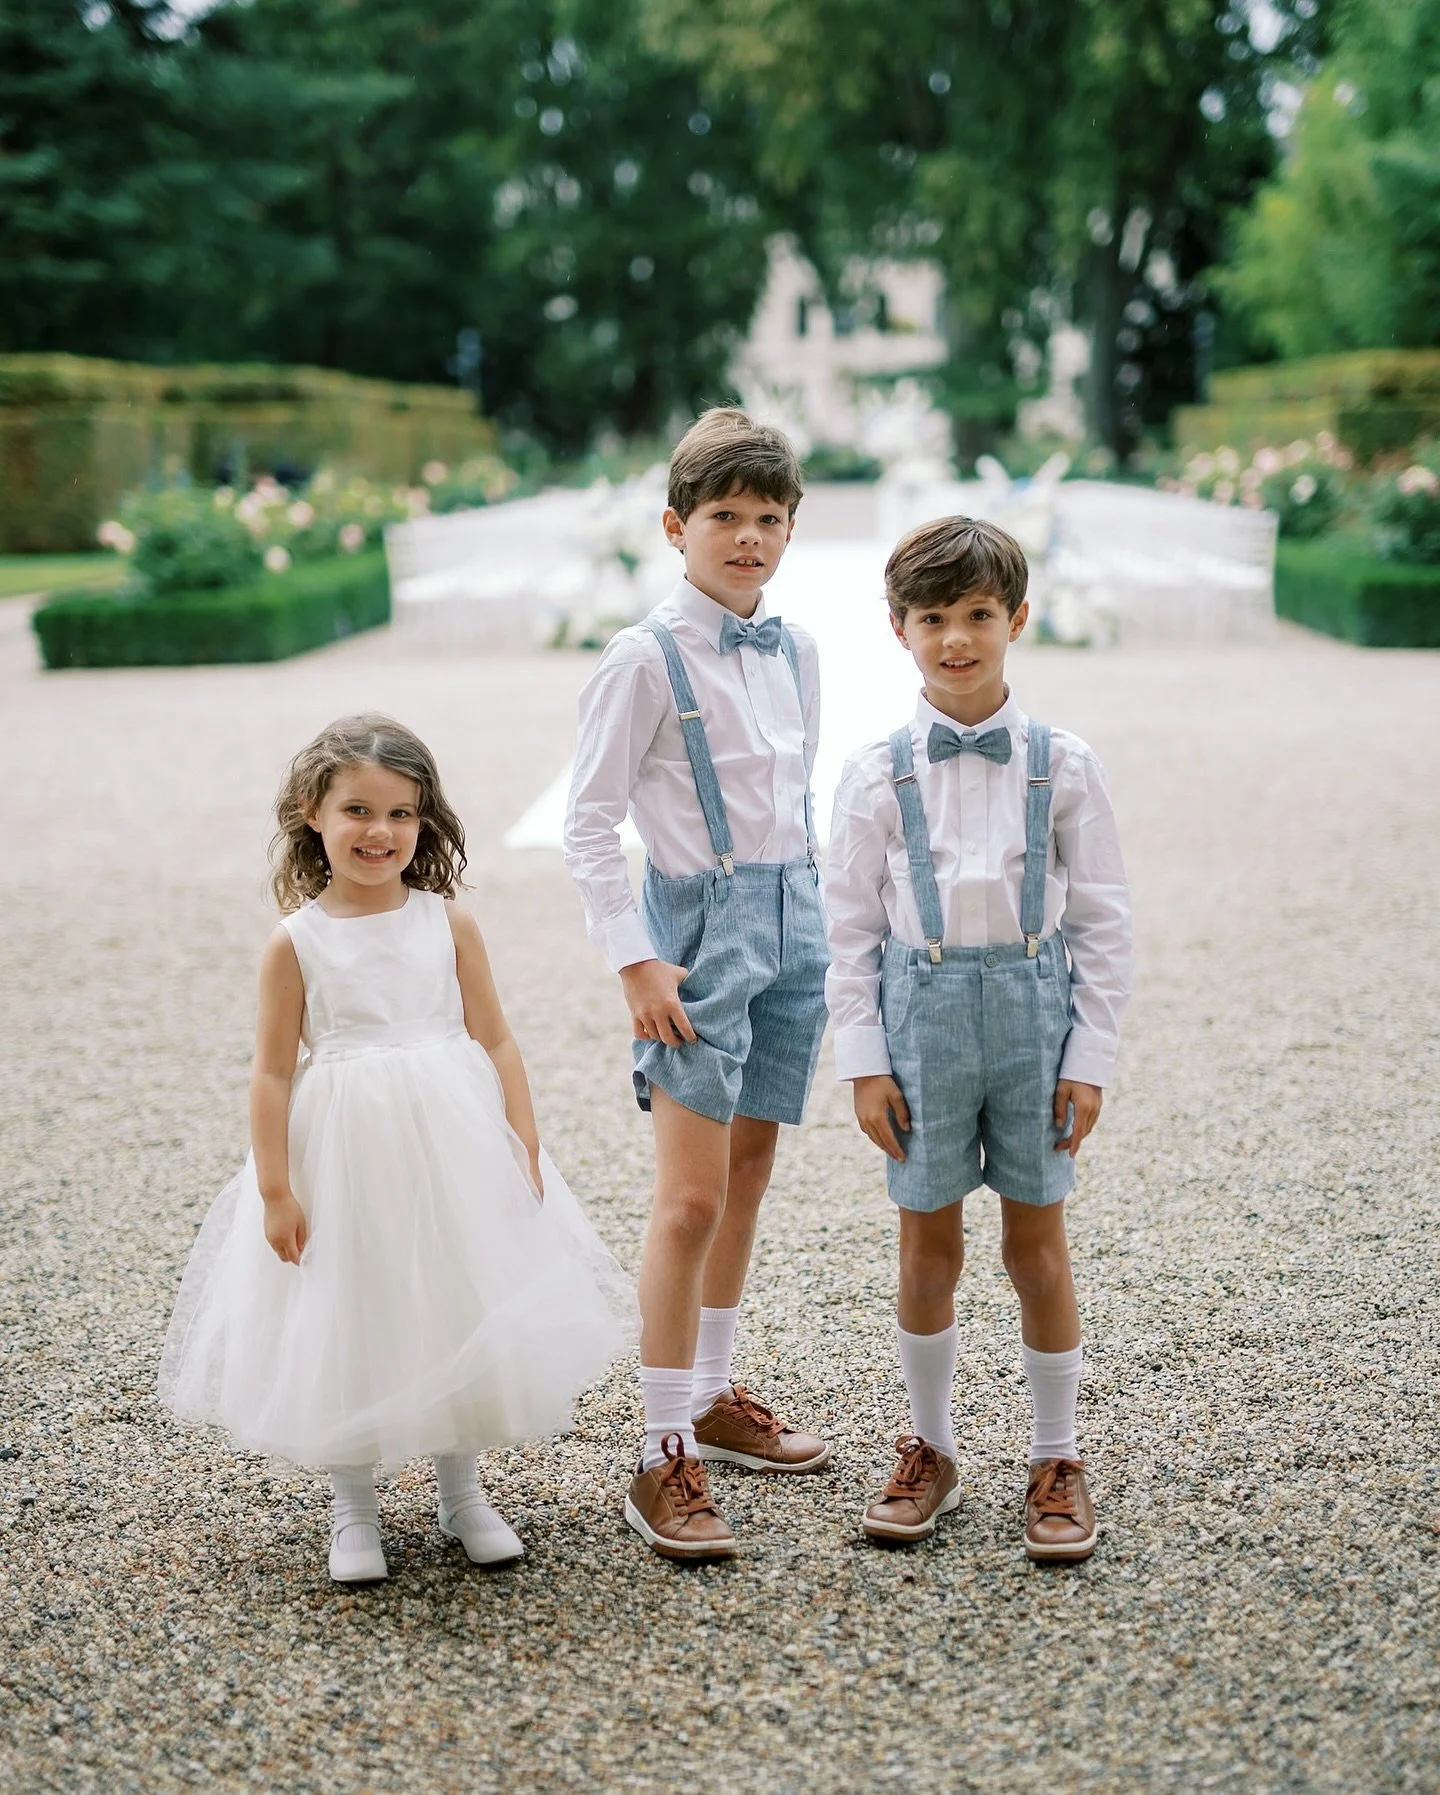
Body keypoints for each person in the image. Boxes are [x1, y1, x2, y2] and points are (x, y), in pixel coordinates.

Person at [159, 715, 633, 1584]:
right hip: (342, 1145)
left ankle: (463, 1494)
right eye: (358, 810)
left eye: (402, 813)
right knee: (355, 1305)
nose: (380, 832)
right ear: (312, 812)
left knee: (453, 1297)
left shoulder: (446, 922)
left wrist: (521, 1141)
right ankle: (354, 1509)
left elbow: (495, 1040)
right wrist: (275, 1188)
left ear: (425, 822)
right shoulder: (295, 941)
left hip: (450, 1138)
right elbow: (270, 1072)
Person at [824, 517, 1132, 1562]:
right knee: (927, 1239)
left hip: (1036, 1022)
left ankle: (1056, 1452)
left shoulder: (1067, 763)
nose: (957, 639)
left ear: (1018, 620)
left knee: (1037, 1241)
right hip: (922, 1020)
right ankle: (932, 1445)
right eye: (934, 619)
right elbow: (850, 932)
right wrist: (864, 1061)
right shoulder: (873, 775)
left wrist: (1089, 1057)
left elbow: (1103, 920)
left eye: (979, 617)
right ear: (899, 628)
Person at [564, 408, 831, 1561]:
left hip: (797, 922)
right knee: (686, 1199)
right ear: (677, 526)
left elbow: (795, 801)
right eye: (725, 516)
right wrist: (634, 958)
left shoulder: (800, 650)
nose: (749, 537)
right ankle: (659, 1447)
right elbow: (587, 824)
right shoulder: (641, 657)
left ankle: (715, 1397)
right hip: (697, 932)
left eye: (769, 518)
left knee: (752, 1171)